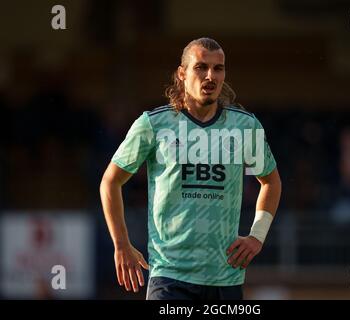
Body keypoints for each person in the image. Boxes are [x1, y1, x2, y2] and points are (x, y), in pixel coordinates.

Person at [99, 37, 282, 300]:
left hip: (225, 275)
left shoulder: (245, 127)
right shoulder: (153, 124)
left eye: (218, 68)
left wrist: (257, 235)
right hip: (169, 276)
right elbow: (110, 181)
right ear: (182, 74)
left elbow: (271, 182)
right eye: (201, 67)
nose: (210, 76)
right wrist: (121, 244)